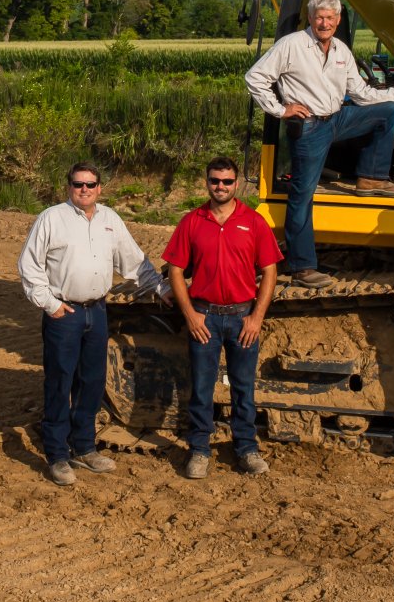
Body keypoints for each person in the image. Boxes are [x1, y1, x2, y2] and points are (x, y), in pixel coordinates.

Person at [245, 0, 394, 288]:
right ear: (311, 19)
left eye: (330, 18)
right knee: (302, 196)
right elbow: (255, 77)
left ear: (338, 20)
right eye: (319, 17)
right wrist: (281, 110)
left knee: (387, 112)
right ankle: (303, 268)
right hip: (310, 127)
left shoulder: (341, 49)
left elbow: (361, 94)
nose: (324, 23)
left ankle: (371, 178)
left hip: (337, 119)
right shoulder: (292, 45)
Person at [17, 162, 167, 487]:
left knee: (93, 382)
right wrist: (50, 304)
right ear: (68, 186)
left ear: (100, 188)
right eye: (77, 184)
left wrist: (162, 287)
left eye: (90, 184)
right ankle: (57, 454)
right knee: (60, 382)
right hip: (65, 313)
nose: (83, 190)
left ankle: (84, 447)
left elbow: (134, 261)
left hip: (97, 312)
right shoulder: (51, 218)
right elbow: (29, 265)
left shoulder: (110, 220)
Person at [163, 156, 284, 480]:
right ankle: (199, 450)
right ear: (207, 182)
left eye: (227, 181)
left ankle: (246, 448)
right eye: (215, 180)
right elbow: (175, 270)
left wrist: (256, 317)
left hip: (242, 318)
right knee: (201, 388)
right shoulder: (192, 221)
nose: (221, 186)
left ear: (237, 184)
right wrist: (190, 315)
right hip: (205, 319)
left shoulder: (253, 222)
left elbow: (270, 271)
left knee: (243, 388)